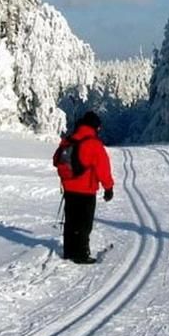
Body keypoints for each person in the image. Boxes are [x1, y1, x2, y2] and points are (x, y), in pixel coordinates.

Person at [53, 111, 114, 264]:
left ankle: (68, 251)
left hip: (68, 188)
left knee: (71, 221)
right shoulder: (93, 143)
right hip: (86, 190)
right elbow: (103, 168)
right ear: (94, 127)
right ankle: (81, 254)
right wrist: (108, 188)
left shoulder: (69, 140)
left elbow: (56, 160)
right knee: (84, 224)